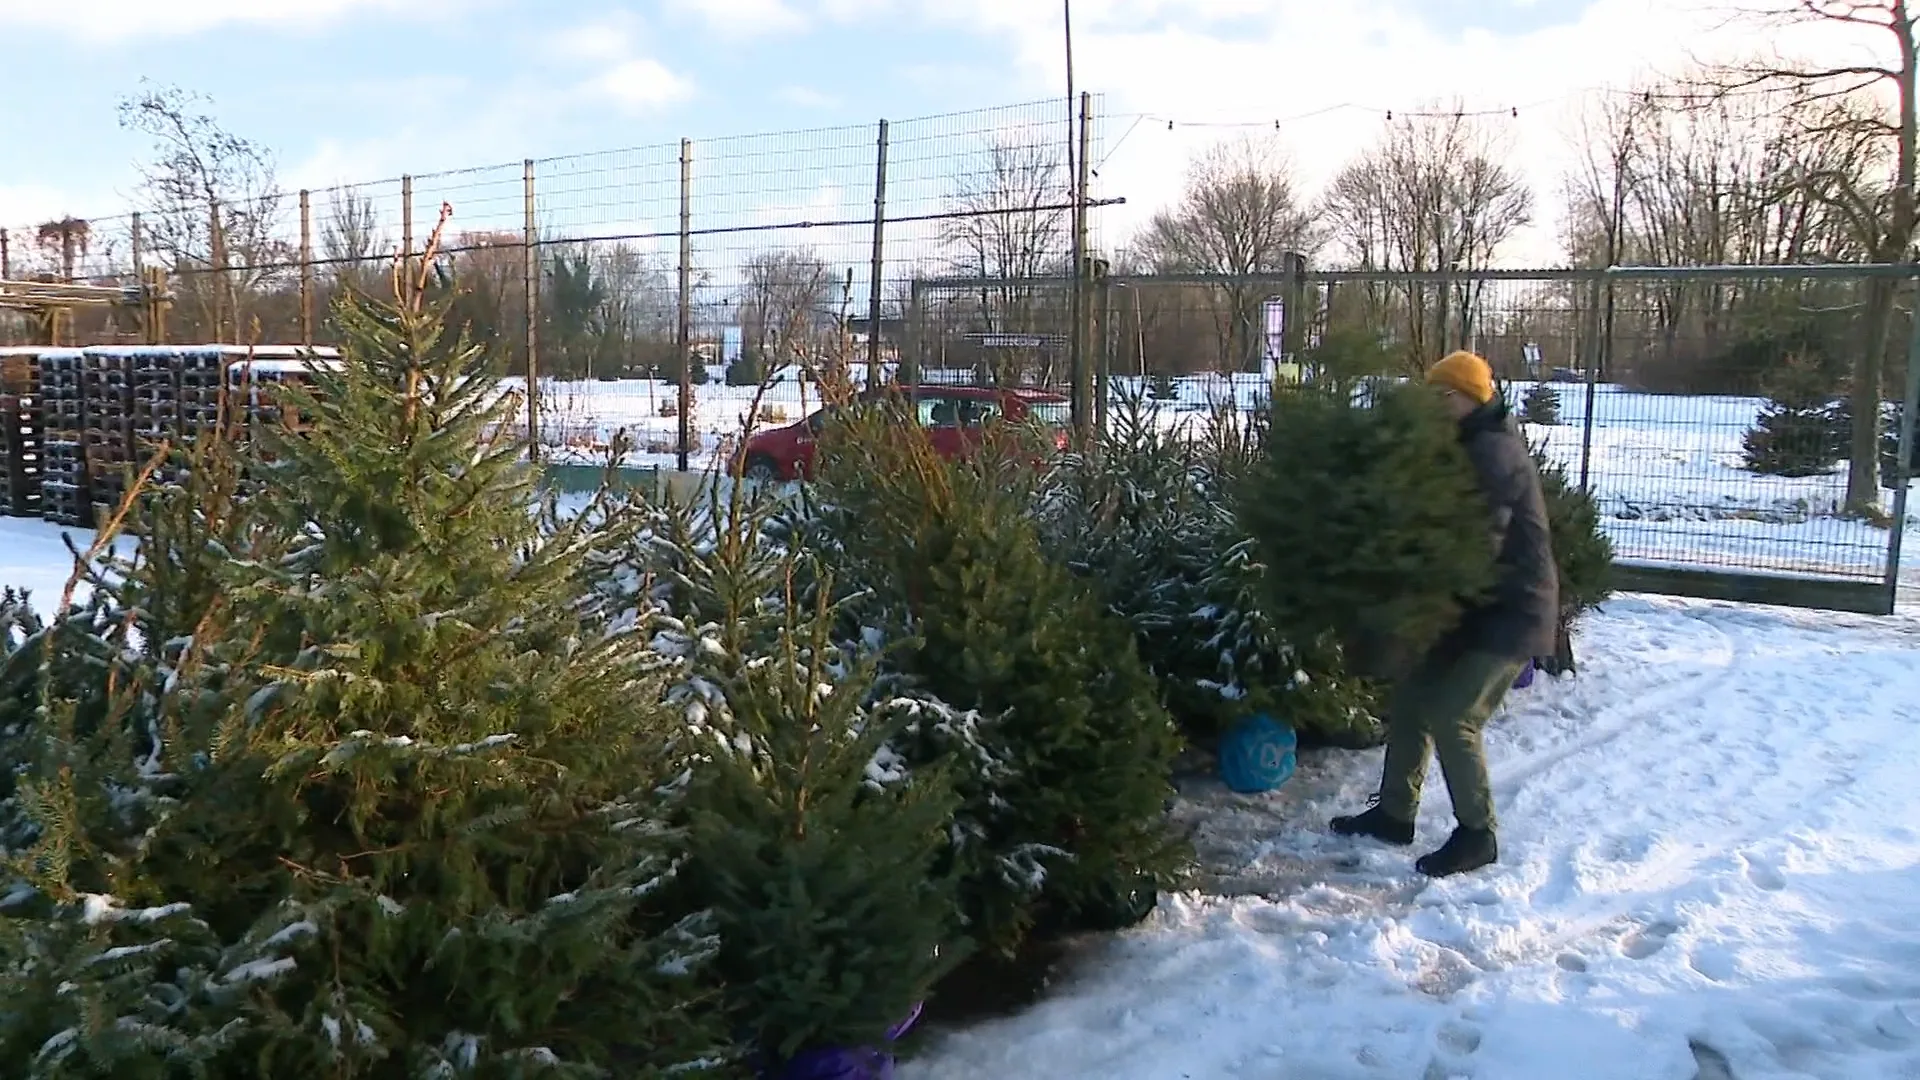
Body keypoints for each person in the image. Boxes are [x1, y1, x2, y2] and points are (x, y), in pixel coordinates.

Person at [1329, 350, 1559, 878]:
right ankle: (1394, 814)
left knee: (1455, 715)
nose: (1433, 406)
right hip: (1472, 608)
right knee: (1413, 698)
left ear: (1469, 398)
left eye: (1443, 396)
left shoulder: (1493, 453)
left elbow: (1475, 541)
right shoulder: (1461, 444)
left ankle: (1478, 834)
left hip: (1511, 611)